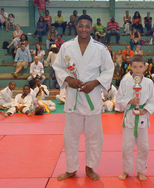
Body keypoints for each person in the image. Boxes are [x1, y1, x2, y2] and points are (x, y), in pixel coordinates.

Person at [52, 14, 114, 181]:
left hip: (92, 96)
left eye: (87, 26)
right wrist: (67, 79)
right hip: (73, 96)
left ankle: (90, 167)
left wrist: (95, 82)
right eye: (81, 26)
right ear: (76, 26)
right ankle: (71, 168)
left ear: (92, 28)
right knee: (70, 137)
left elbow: (109, 70)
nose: (84, 29)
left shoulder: (101, 48)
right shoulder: (66, 47)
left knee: (94, 136)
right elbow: (58, 66)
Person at [116, 54, 154, 181]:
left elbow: (152, 101)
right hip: (129, 117)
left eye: (140, 67)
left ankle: (140, 170)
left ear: (145, 67)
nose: (138, 69)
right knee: (126, 147)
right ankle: (126, 170)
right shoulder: (125, 81)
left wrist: (145, 110)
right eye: (135, 67)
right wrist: (130, 101)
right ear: (130, 67)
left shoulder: (149, 82)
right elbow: (119, 99)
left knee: (144, 147)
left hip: (142, 118)